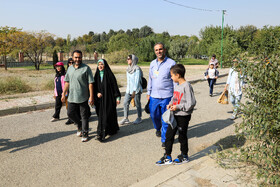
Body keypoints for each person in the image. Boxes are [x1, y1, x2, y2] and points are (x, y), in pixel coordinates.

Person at [156, 64, 196, 165]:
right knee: (169, 135)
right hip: (174, 115)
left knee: (182, 136)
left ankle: (184, 155)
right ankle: (167, 156)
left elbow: (191, 103)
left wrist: (178, 107)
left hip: (183, 116)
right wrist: (170, 104)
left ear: (177, 75)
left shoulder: (187, 86)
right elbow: (174, 99)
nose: (171, 77)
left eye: (172, 75)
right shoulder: (177, 86)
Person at [147, 42, 176, 147]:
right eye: (156, 50)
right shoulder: (152, 64)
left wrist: (175, 96)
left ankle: (164, 139)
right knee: (154, 115)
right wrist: (148, 92)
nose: (158, 51)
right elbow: (150, 78)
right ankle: (157, 128)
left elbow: (175, 80)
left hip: (167, 96)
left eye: (160, 49)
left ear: (164, 50)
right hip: (154, 95)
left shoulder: (171, 63)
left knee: (165, 118)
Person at [61, 50, 94, 142]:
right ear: (72, 57)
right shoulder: (70, 68)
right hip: (72, 97)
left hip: (83, 97)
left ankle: (85, 132)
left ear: (81, 58)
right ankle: (79, 125)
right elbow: (67, 82)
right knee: (70, 113)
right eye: (76, 57)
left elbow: (90, 83)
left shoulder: (86, 68)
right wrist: (63, 93)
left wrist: (91, 96)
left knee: (84, 116)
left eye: (79, 57)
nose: (77, 59)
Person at [93, 59, 121, 142]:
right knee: (101, 116)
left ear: (105, 65)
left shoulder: (109, 75)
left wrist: (117, 97)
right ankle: (111, 130)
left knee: (107, 115)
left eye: (102, 64)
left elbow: (115, 86)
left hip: (109, 99)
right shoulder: (97, 75)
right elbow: (94, 87)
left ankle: (101, 135)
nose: (100, 66)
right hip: (100, 101)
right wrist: (97, 93)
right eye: (99, 65)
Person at [119, 54, 142, 125]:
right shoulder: (128, 69)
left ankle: (139, 117)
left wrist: (134, 91)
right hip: (128, 90)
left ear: (133, 60)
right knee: (125, 103)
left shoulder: (137, 69)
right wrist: (128, 90)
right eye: (127, 59)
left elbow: (137, 80)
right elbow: (128, 81)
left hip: (136, 90)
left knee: (137, 104)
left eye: (129, 59)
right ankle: (126, 118)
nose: (127, 60)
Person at [65, 58, 75, 125]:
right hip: (68, 90)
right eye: (69, 63)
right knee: (69, 105)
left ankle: (76, 119)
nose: (71, 64)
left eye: (72, 62)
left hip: (76, 90)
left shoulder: (76, 70)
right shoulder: (67, 71)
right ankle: (70, 119)